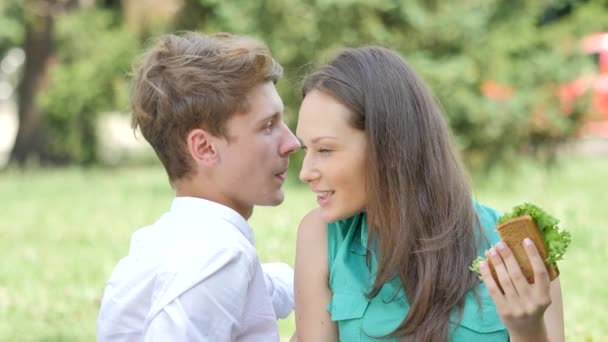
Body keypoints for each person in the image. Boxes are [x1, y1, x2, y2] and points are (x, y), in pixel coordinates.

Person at [294, 46, 564, 341]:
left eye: (325, 150)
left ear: (388, 147)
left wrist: (528, 330)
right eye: (307, 149)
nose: (305, 172)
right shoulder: (320, 238)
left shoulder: (514, 250)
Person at [97, 32, 300, 341]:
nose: (292, 143)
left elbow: (258, 287)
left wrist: (310, 280)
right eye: (268, 126)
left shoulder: (164, 241)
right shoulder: (219, 256)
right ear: (204, 147)